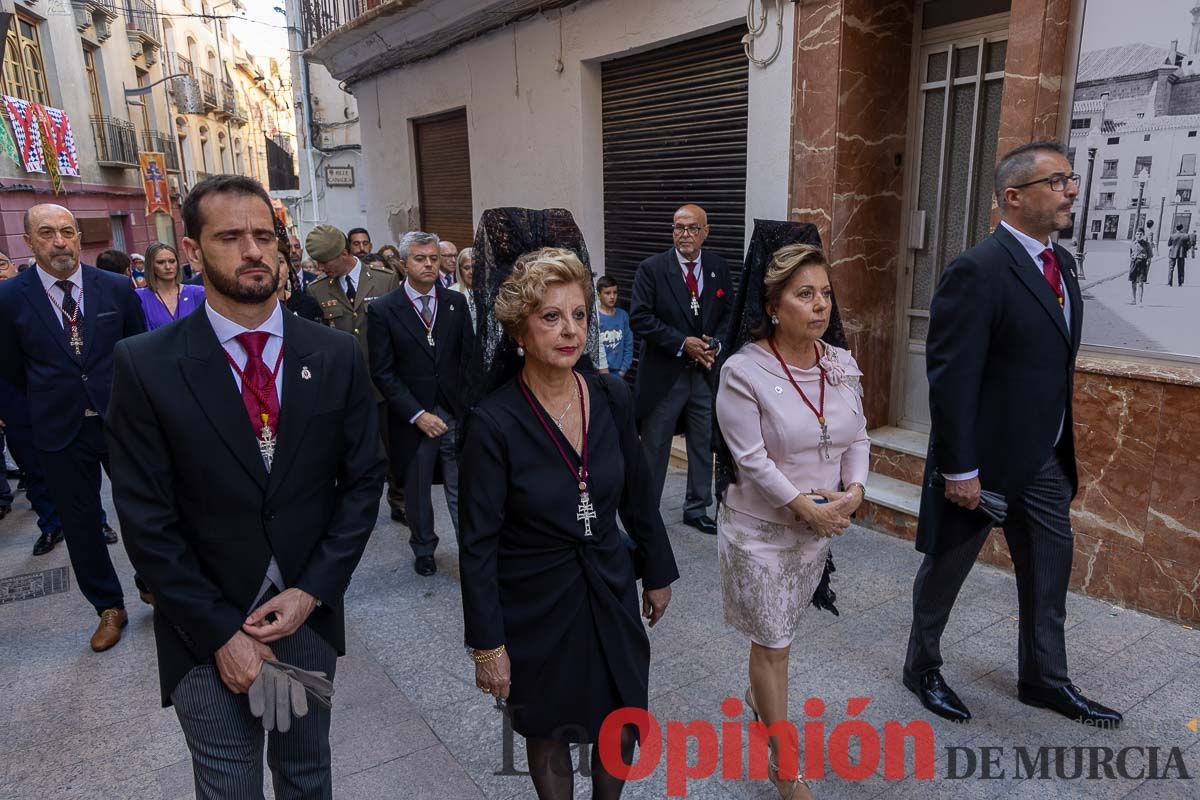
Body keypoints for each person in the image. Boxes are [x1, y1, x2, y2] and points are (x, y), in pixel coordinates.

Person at [106, 175, 386, 799]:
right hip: (202, 627)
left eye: (263, 235)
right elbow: (146, 519)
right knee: (229, 786)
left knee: (306, 775)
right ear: (192, 250)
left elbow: (363, 481)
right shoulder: (146, 365)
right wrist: (218, 634)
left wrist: (312, 591)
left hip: (304, 617)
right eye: (230, 236)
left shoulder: (335, 354)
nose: (253, 250)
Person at [903, 141, 1122, 729]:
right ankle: (921, 667)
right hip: (984, 464)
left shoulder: (1062, 264)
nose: (1071, 191)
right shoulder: (977, 269)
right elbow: (951, 378)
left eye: (1071, 179)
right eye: (1057, 181)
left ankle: (1044, 679)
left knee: (1050, 573)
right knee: (946, 571)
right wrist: (960, 469)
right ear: (1013, 197)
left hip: (1046, 459)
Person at [459, 246, 678, 800]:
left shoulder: (610, 394)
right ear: (519, 330)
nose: (570, 330)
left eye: (579, 315)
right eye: (551, 317)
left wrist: (656, 571)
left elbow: (638, 493)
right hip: (534, 596)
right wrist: (488, 644)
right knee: (548, 727)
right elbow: (478, 543)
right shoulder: (494, 421)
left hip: (608, 578)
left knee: (621, 716)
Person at [714, 230, 867, 799]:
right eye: (805, 294)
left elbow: (858, 435)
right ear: (774, 306)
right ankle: (784, 768)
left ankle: (761, 700)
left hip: (815, 532)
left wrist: (855, 491)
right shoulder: (744, 370)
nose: (820, 305)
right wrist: (806, 507)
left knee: (778, 637)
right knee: (772, 644)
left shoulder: (841, 363)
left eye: (825, 293)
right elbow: (751, 458)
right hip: (761, 532)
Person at [0, 204, 147, 651]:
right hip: (59, 429)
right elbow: (12, 369)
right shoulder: (10, 298)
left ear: (80, 237)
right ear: (29, 241)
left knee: (144, 510)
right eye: (47, 233)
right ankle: (108, 606)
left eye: (67, 231)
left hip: (120, 421)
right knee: (81, 524)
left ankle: (156, 585)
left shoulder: (115, 287)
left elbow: (138, 351)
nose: (59, 241)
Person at [368, 231, 472, 576]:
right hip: (413, 417)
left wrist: (466, 408)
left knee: (461, 487)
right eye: (420, 258)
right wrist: (417, 414)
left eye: (433, 258)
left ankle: (471, 550)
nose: (429, 264)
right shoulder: (384, 310)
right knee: (417, 490)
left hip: (453, 412)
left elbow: (467, 359)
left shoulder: (455, 303)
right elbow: (383, 372)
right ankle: (424, 548)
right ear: (403, 263)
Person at [630, 204, 733, 535]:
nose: (684, 234)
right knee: (655, 446)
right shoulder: (652, 269)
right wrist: (681, 342)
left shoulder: (717, 267)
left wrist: (716, 343)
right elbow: (640, 318)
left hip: (704, 373)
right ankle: (646, 513)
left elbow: (728, 313)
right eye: (678, 228)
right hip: (665, 374)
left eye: (692, 228)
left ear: (705, 232)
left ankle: (696, 507)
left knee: (703, 442)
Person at [306, 224, 406, 524]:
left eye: (325, 261)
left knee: (393, 445)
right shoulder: (317, 289)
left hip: (383, 381)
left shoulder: (385, 280)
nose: (321, 268)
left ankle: (399, 499)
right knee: (354, 450)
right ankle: (359, 506)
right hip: (345, 386)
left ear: (343, 253)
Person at [136, 243, 206, 330]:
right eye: (160, 262)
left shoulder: (197, 292)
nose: (168, 267)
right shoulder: (139, 297)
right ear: (151, 266)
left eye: (172, 261)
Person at [596, 276, 633, 378]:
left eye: (615, 292)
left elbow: (628, 344)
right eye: (607, 293)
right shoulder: (595, 317)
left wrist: (623, 370)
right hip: (598, 373)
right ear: (599, 294)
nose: (612, 296)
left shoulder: (623, 315)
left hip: (618, 373)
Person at [449, 246, 475, 326]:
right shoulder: (451, 292)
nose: (471, 272)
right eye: (467, 268)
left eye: (475, 267)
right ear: (460, 270)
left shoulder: (490, 292)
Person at [1128, 228, 1152, 304]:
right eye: (1137, 234)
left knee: (1141, 283)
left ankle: (1140, 301)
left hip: (1142, 264)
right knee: (1133, 282)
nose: (1139, 235)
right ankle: (1134, 299)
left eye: (1140, 234)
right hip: (1134, 264)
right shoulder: (1132, 244)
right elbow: (1131, 254)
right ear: (1135, 235)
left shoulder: (1147, 244)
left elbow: (1149, 257)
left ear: (1143, 235)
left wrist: (1147, 269)